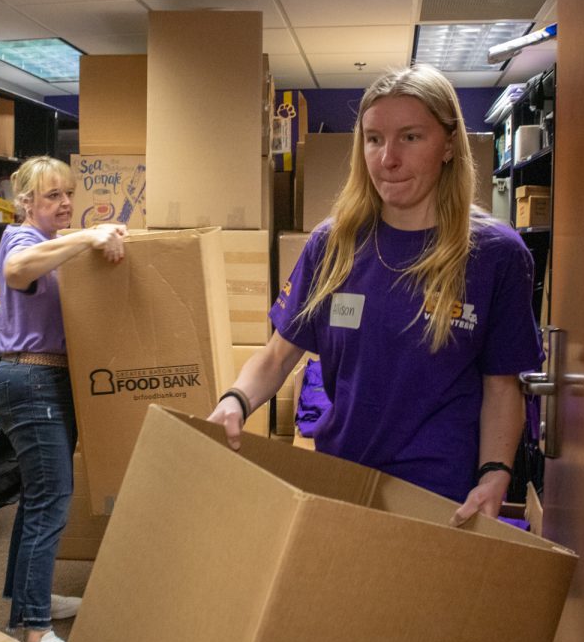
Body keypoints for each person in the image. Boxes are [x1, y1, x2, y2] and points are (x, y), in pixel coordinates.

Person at [207, 64, 542, 525]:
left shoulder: (496, 255)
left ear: (448, 145)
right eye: (373, 139)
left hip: (439, 497)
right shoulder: (333, 243)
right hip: (341, 479)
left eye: (410, 137)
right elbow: (278, 357)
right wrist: (235, 401)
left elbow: (501, 385)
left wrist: (494, 474)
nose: (388, 158)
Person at [0, 155, 127, 642]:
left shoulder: (52, 245)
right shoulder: (22, 241)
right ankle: (32, 636)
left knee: (37, 500)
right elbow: (18, 270)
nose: (66, 203)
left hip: (45, 381)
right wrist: (90, 237)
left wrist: (89, 240)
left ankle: (30, 603)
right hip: (31, 381)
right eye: (52, 196)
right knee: (52, 503)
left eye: (69, 194)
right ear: (26, 203)